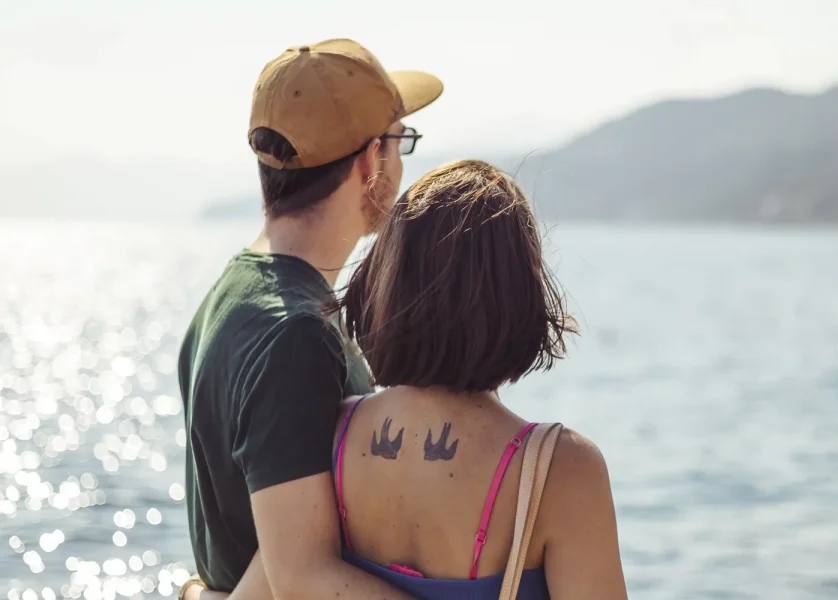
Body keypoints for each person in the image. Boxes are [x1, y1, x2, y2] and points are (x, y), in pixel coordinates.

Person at [190, 160, 629, 600]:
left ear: (387, 282)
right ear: (520, 296)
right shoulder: (561, 470)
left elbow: (278, 580)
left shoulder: (331, 436)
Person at [176, 38, 442, 600]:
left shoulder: (230, 293)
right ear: (372, 159)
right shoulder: (295, 334)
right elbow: (302, 576)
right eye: (401, 140)